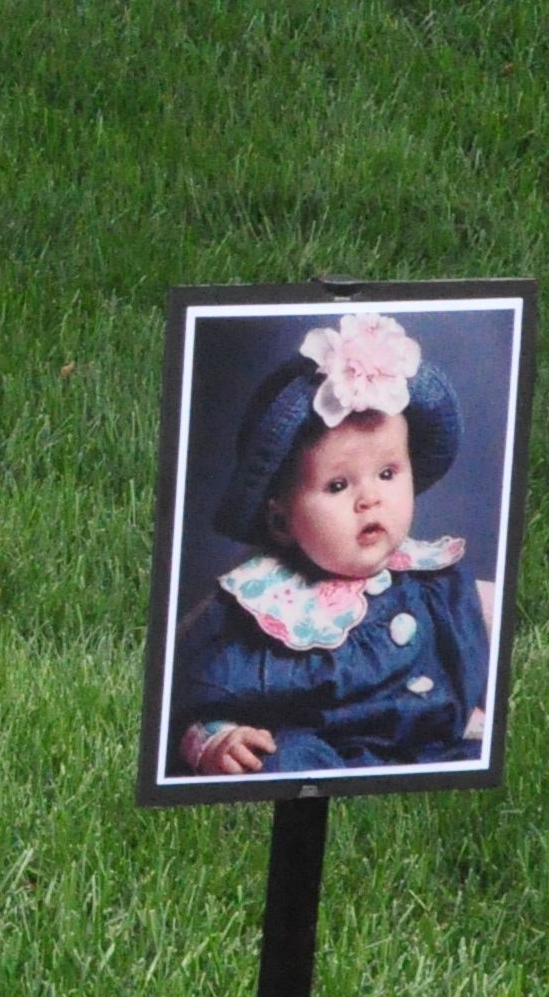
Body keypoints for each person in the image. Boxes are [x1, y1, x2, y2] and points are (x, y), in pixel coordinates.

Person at [170, 310, 491, 778]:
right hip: (327, 757)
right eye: (338, 486)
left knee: (475, 751)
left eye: (387, 473)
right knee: (281, 761)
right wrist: (217, 737)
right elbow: (191, 692)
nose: (370, 499)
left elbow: (491, 627)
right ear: (281, 521)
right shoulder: (262, 607)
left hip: (435, 748)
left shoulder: (434, 581)